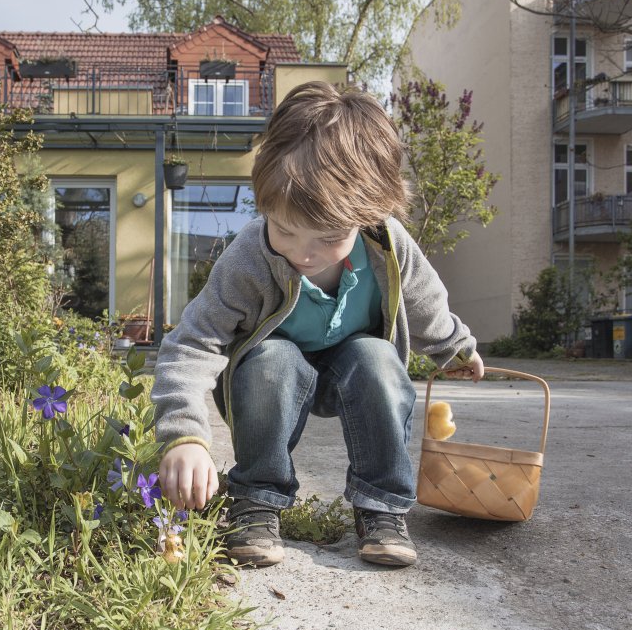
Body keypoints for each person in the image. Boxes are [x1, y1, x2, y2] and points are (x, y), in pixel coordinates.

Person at [150, 81, 484, 568]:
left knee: (376, 356)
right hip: (274, 383)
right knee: (273, 356)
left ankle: (381, 505)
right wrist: (184, 434)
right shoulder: (250, 257)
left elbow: (426, 303)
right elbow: (193, 343)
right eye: (284, 229)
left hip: (355, 375)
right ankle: (257, 498)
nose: (303, 253)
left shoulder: (387, 246)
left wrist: (457, 348)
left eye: (328, 238)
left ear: (369, 213)